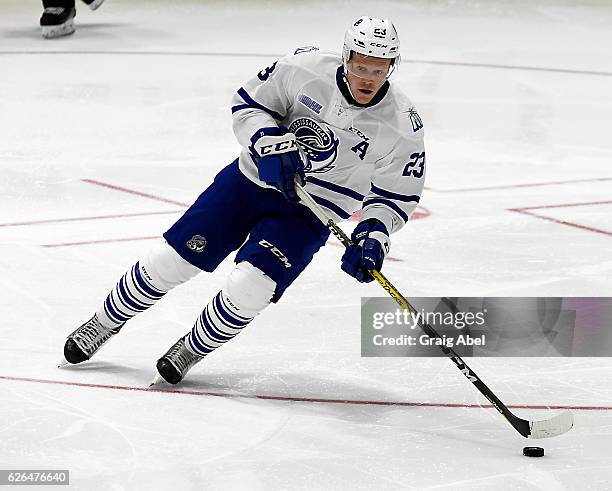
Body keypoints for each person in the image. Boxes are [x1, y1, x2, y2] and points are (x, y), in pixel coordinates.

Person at [60, 16, 427, 385]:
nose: (367, 78)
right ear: (346, 57)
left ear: (392, 67)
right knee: (169, 261)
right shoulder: (303, 68)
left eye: (378, 69)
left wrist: (374, 234)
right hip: (247, 183)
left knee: (251, 287)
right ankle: (104, 323)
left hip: (311, 213)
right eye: (360, 66)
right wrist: (266, 140)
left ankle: (192, 348)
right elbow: (249, 103)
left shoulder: (402, 125)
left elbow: (396, 193)